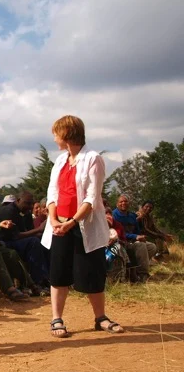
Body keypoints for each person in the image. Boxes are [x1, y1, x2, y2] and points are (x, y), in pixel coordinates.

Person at [42, 115, 122, 338]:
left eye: (56, 134)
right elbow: (52, 192)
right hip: (60, 224)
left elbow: (92, 197)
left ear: (66, 134)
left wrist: (72, 222)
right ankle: (57, 318)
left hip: (82, 224)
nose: (55, 138)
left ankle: (100, 317)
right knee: (58, 272)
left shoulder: (93, 158)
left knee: (92, 271)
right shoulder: (60, 161)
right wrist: (54, 219)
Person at [0, 190, 50, 294]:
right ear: (18, 200)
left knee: (44, 243)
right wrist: (39, 229)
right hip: (4, 243)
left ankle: (46, 279)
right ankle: (37, 282)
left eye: (31, 203)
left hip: (20, 243)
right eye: (27, 203)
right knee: (34, 242)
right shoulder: (8, 211)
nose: (30, 206)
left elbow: (29, 231)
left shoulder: (26, 213)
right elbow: (15, 236)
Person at [112, 195, 156, 282]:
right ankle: (143, 274)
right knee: (141, 246)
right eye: (121, 202)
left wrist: (140, 236)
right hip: (121, 242)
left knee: (152, 247)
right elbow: (118, 233)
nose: (123, 203)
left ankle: (134, 269)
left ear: (129, 203)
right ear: (117, 204)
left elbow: (137, 230)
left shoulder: (132, 216)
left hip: (133, 242)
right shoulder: (114, 215)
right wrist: (135, 237)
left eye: (126, 201)